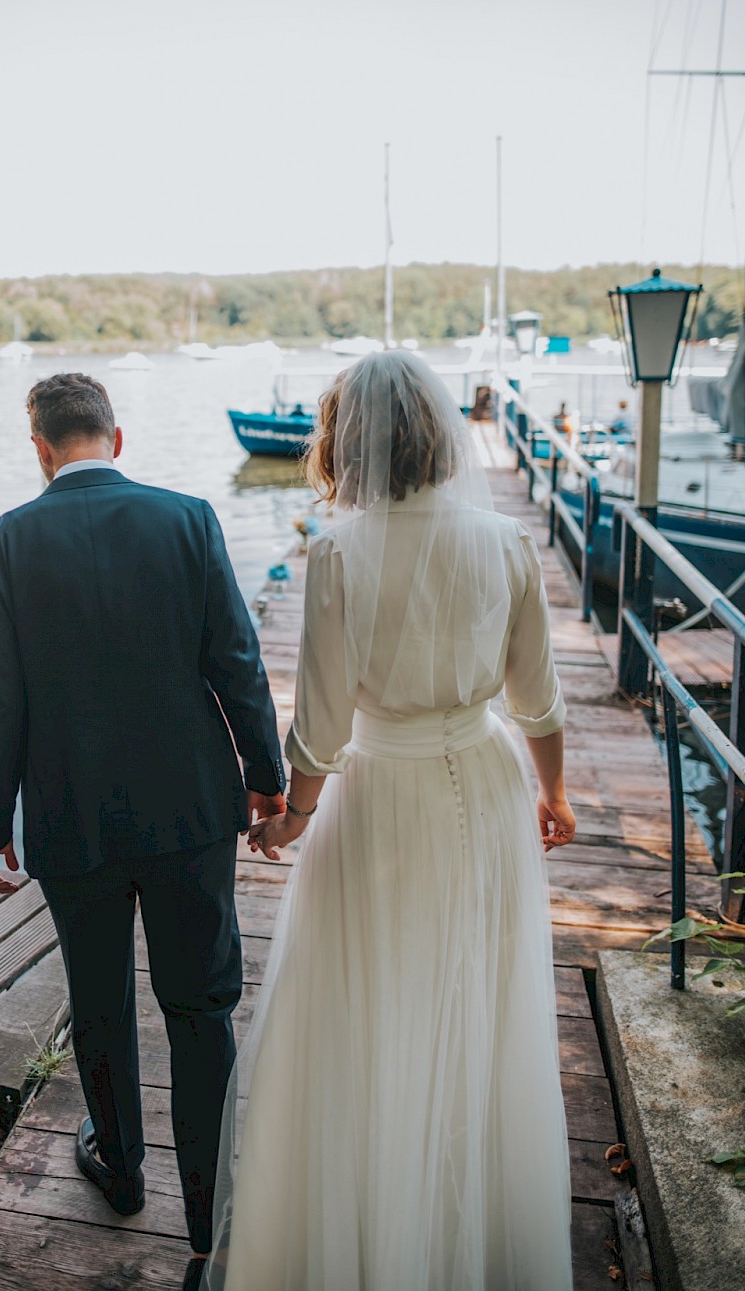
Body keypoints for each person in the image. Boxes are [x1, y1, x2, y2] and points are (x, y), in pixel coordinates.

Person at [205, 350, 576, 1291]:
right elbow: (540, 700)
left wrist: (292, 817)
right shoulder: (505, 542)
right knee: (478, 999)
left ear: (349, 442)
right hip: (487, 787)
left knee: (368, 1005)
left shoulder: (337, 552)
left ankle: (377, 1237)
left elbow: (321, 729)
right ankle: (478, 1236)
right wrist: (556, 793)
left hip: (381, 795)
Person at [0, 372, 286, 1291]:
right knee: (200, 1007)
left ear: (39, 447)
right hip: (190, 810)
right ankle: (207, 1217)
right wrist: (265, 776)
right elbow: (237, 658)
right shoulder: (187, 520)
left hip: (72, 820)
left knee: (99, 999)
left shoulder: (1, 545)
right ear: (118, 435)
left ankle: (119, 1170)